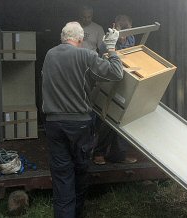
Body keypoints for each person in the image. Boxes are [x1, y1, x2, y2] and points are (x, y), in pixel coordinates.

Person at [42, 22, 123, 218]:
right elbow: (116, 73)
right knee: (79, 172)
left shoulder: (49, 55)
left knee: (62, 177)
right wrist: (111, 49)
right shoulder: (86, 55)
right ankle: (77, 213)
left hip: (53, 124)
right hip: (79, 124)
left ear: (63, 38)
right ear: (80, 39)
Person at [93, 15, 137, 165]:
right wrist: (115, 42)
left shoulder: (132, 39)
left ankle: (118, 155)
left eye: (127, 29)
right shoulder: (108, 40)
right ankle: (98, 153)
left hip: (126, 83)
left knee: (122, 120)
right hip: (109, 84)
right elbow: (103, 52)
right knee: (106, 121)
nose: (125, 34)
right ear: (114, 25)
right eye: (122, 29)